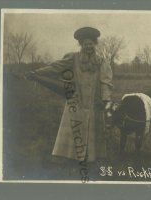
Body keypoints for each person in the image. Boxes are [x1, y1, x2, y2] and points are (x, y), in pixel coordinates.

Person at [25, 27, 113, 162]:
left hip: (94, 102)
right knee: (75, 127)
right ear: (81, 45)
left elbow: (105, 81)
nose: (88, 46)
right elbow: (55, 67)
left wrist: (106, 99)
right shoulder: (73, 58)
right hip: (76, 100)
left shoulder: (101, 62)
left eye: (91, 44)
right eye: (85, 44)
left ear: (95, 44)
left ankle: (90, 157)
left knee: (92, 128)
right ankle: (71, 156)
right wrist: (37, 73)